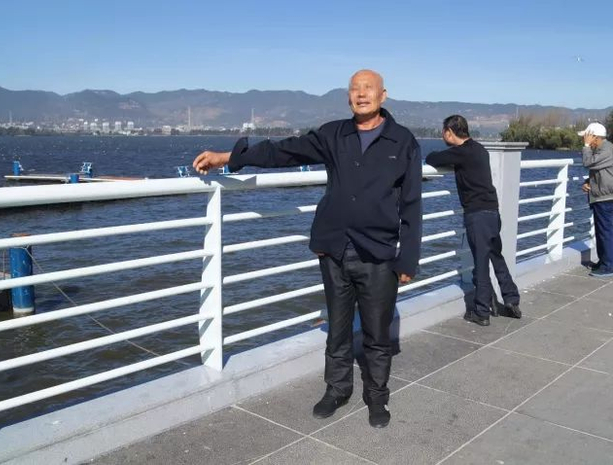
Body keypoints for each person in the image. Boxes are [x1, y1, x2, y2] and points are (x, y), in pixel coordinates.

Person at [193, 70, 422, 428]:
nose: (361, 94)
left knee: (378, 333)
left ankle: (377, 396)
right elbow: (284, 151)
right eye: (355, 89)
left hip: (379, 254)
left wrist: (407, 258)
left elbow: (411, 203)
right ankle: (337, 389)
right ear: (348, 97)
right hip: (335, 249)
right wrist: (229, 157)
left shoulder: (403, 141)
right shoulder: (334, 134)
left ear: (383, 95)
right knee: (337, 327)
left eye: (368, 88)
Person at [425, 115, 521, 326]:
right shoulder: (479, 149)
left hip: (477, 214)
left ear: (450, 132)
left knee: (480, 260)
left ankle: (481, 311)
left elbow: (432, 158)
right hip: (492, 211)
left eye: (443, 132)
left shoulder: (461, 152)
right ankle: (512, 300)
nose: (442, 136)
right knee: (496, 256)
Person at [579, 122, 613, 277]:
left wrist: (586, 146)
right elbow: (602, 172)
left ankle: (608, 266)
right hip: (603, 196)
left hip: (606, 198)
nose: (586, 141)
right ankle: (604, 261)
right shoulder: (604, 150)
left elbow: (588, 163)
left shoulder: (607, 150)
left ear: (596, 137)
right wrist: (589, 182)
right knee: (603, 232)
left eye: (588, 137)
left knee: (605, 232)